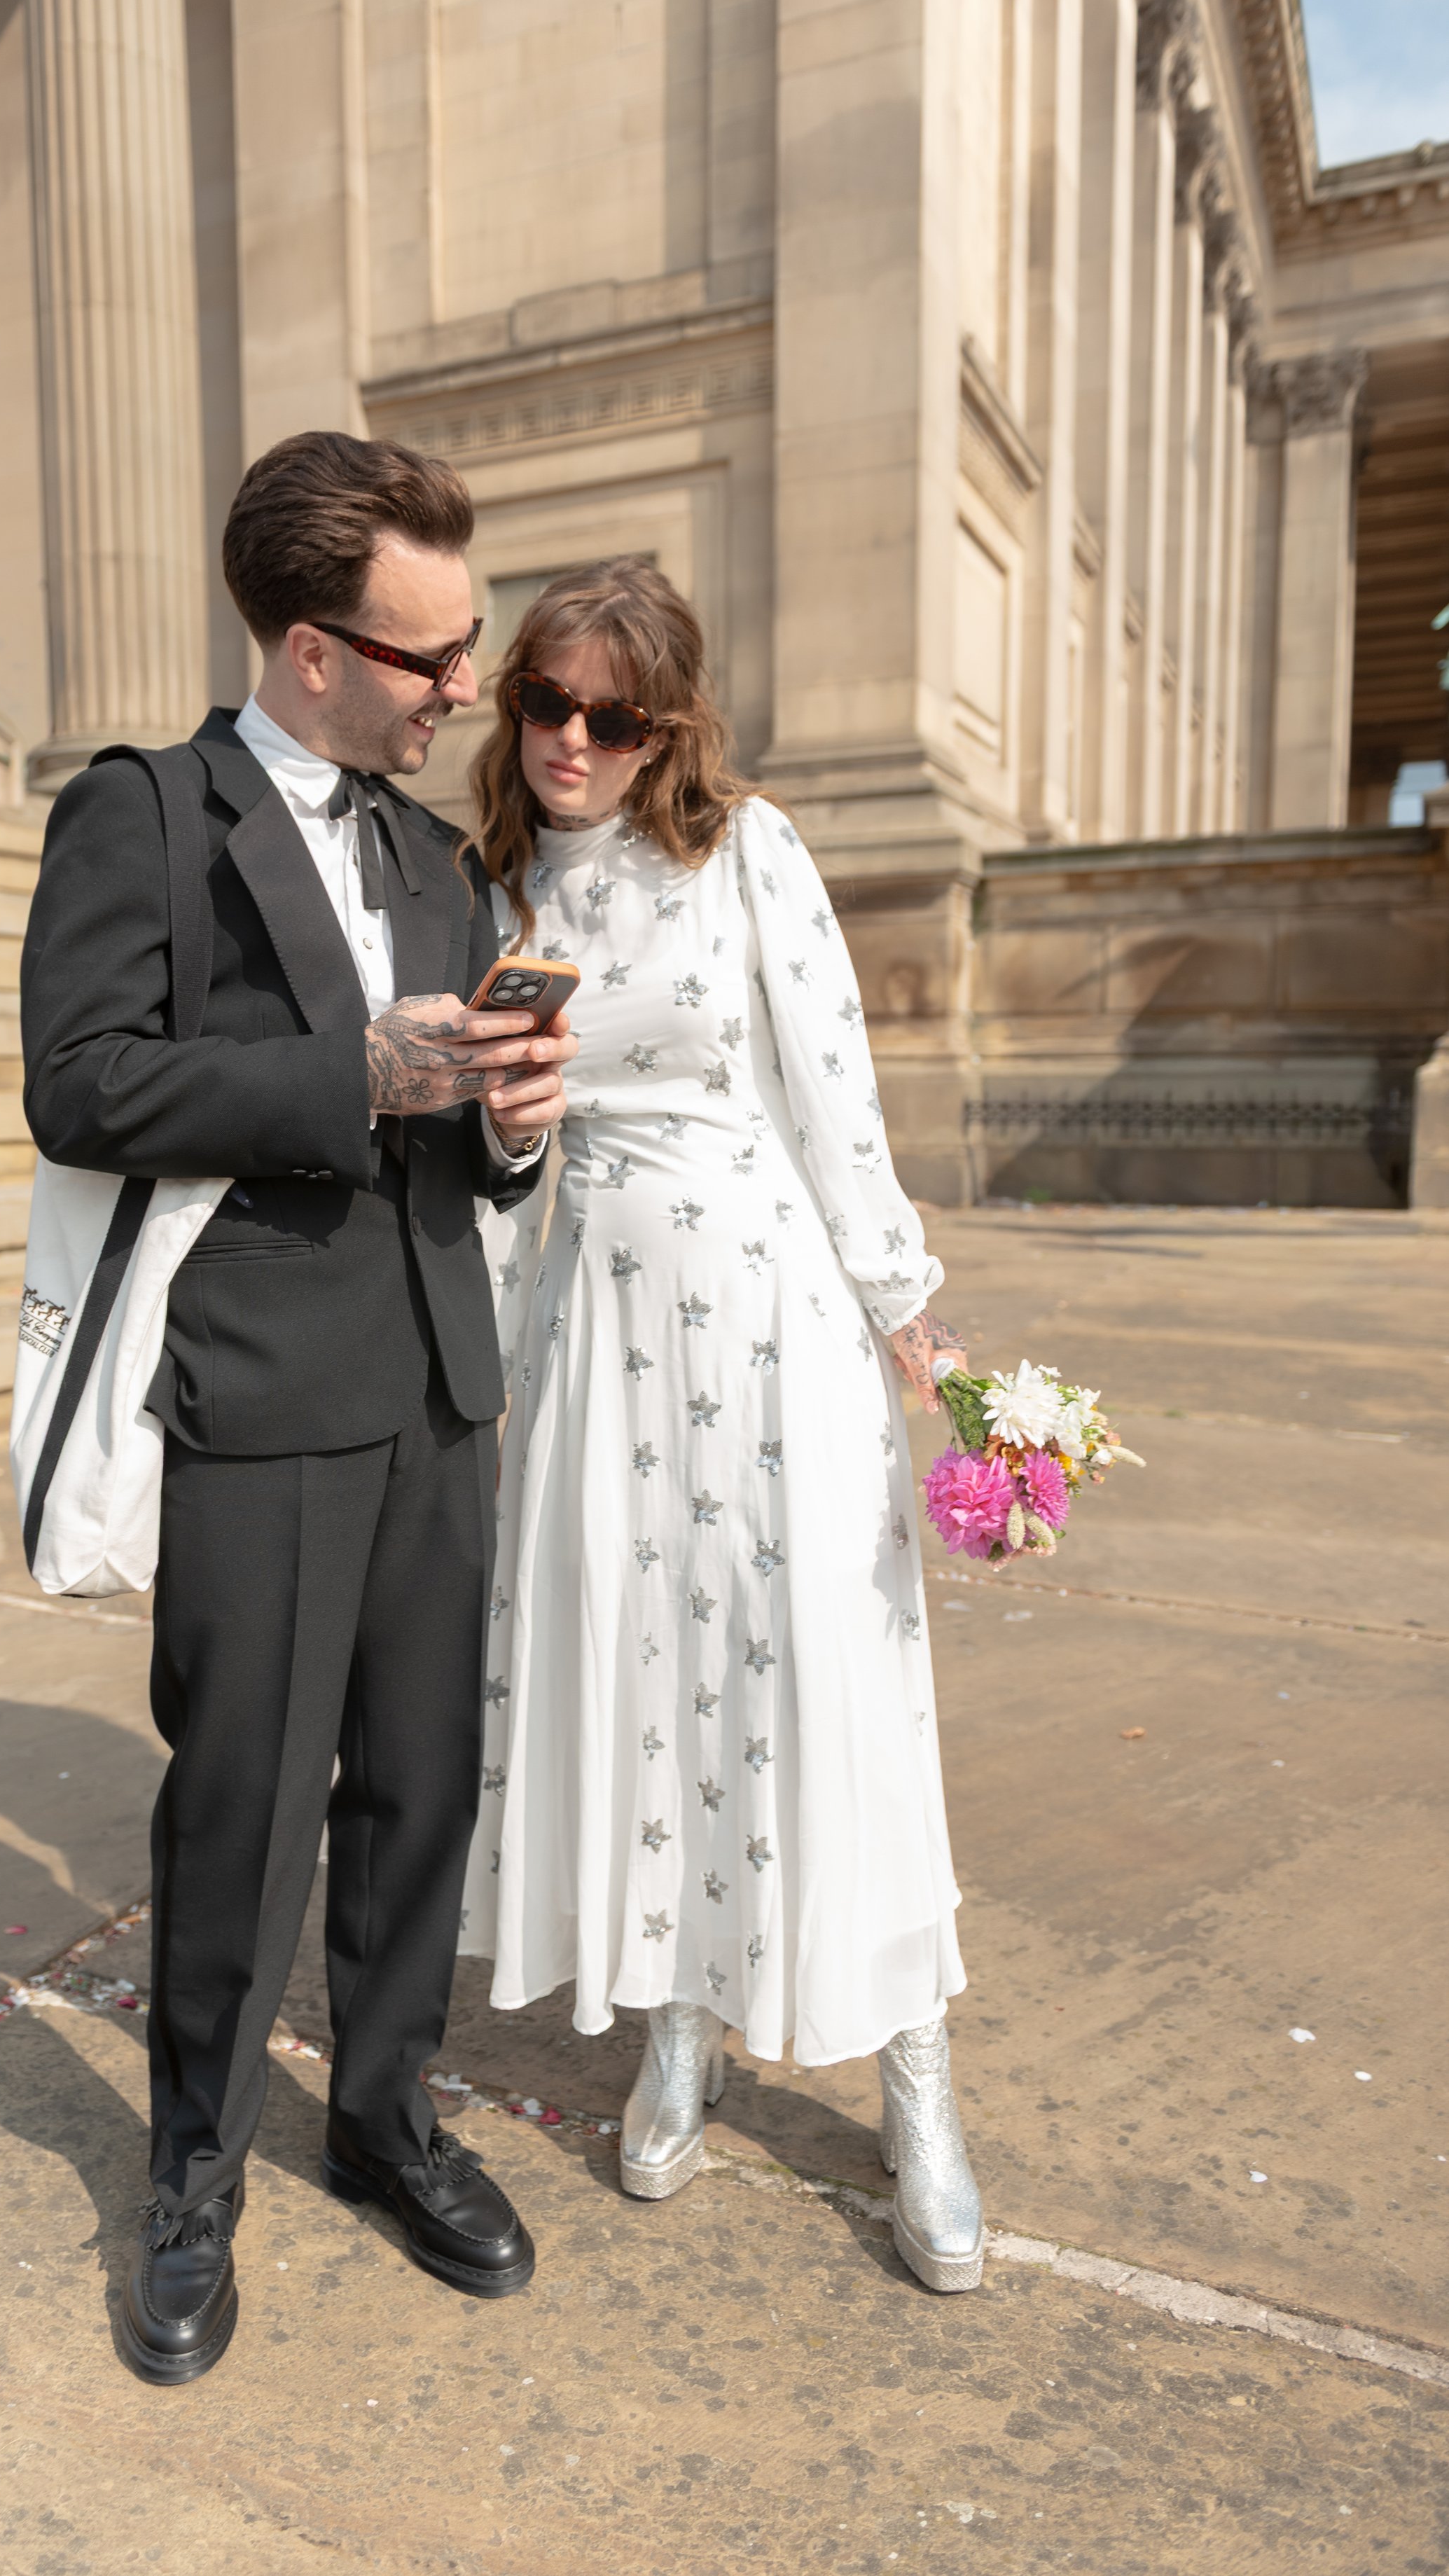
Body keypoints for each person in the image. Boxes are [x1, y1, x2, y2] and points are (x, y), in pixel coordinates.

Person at [21, 432, 576, 2383]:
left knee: (420, 1784)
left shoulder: (441, 859)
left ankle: (385, 2111)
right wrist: (352, 1068)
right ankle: (193, 2170)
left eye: (465, 648)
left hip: (438, 1377)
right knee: (245, 1806)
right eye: (426, 661)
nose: (460, 696)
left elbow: (464, 1133)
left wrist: (506, 1127)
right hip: (258, 1388)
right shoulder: (144, 815)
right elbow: (80, 1083)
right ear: (306, 645)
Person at [462, 559, 984, 2293]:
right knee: (647, 1682)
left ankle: (913, 2083)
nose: (571, 740)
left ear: (665, 724)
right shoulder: (493, 887)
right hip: (597, 1335)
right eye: (545, 700)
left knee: (815, 1680)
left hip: (770, 1326)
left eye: (611, 715)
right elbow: (491, 1166)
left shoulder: (742, 849)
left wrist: (905, 1311)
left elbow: (833, 1088)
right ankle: (677, 2020)